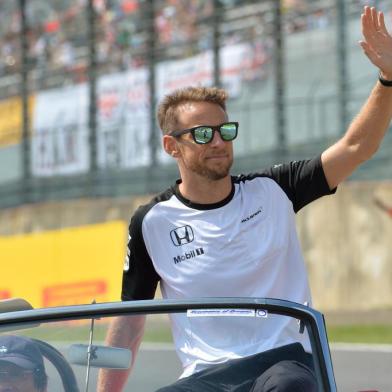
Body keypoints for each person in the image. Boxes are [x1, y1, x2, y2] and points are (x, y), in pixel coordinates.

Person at [97, 6, 392, 391]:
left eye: (225, 130)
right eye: (203, 134)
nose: (218, 142)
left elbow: (356, 147)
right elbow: (130, 321)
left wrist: (388, 79)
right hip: (206, 377)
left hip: (286, 361)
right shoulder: (152, 221)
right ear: (172, 146)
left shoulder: (274, 189)